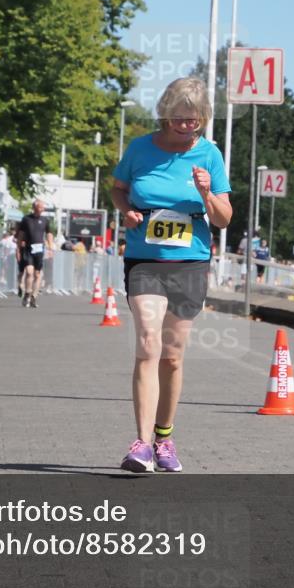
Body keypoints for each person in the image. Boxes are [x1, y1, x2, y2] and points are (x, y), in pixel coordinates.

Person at [111, 77, 232, 473]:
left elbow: (224, 218)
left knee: (173, 356)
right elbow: (117, 188)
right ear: (166, 114)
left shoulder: (210, 155)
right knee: (148, 341)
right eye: (179, 120)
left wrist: (207, 194)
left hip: (190, 262)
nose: (185, 128)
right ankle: (141, 445)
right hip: (145, 260)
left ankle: (164, 437)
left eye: (193, 122)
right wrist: (126, 210)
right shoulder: (140, 148)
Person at [16, 199, 54, 308]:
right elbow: (21, 235)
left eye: (43, 207)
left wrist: (51, 245)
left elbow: (49, 233)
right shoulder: (26, 219)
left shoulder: (45, 220)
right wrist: (18, 248)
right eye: (41, 207)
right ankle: (27, 292)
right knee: (29, 271)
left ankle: (34, 296)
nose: (43, 209)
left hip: (39, 250)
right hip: (28, 249)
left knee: (37, 274)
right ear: (35, 207)